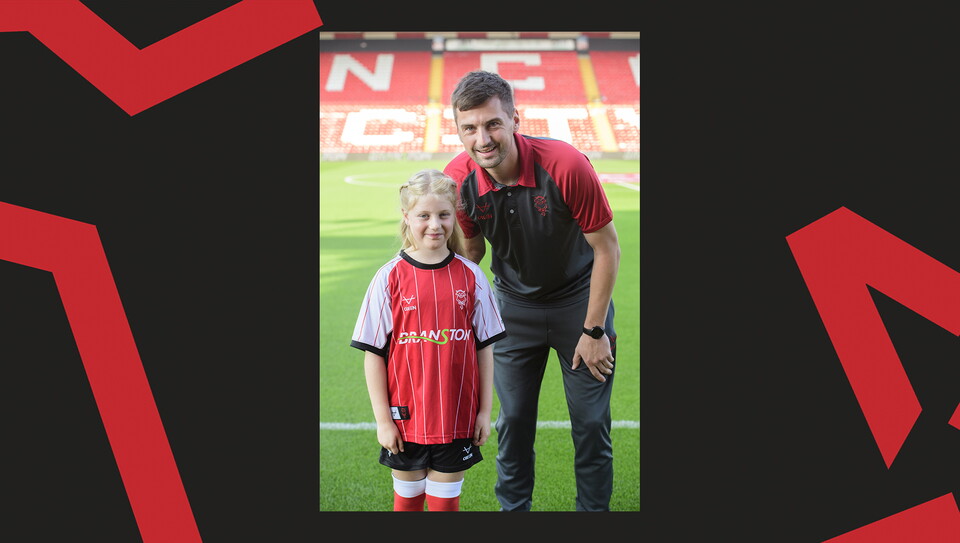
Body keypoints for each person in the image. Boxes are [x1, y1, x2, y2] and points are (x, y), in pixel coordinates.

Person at [443, 70, 621, 512]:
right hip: (512, 311)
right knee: (514, 422)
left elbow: (607, 249)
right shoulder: (458, 178)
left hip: (579, 305)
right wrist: (445, 299)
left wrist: (594, 331)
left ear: (515, 120)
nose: (482, 138)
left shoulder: (565, 164)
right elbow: (471, 253)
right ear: (458, 130)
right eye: (470, 128)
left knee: (591, 424)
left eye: (492, 124)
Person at [350, 168, 507, 512]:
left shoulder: (471, 276)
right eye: (424, 215)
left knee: (444, 506)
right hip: (405, 420)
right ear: (407, 217)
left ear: (454, 216)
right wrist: (383, 421)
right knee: (407, 504)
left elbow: (485, 349)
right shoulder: (388, 277)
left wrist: (484, 412)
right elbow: (373, 354)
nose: (434, 225)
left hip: (457, 418)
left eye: (443, 215)